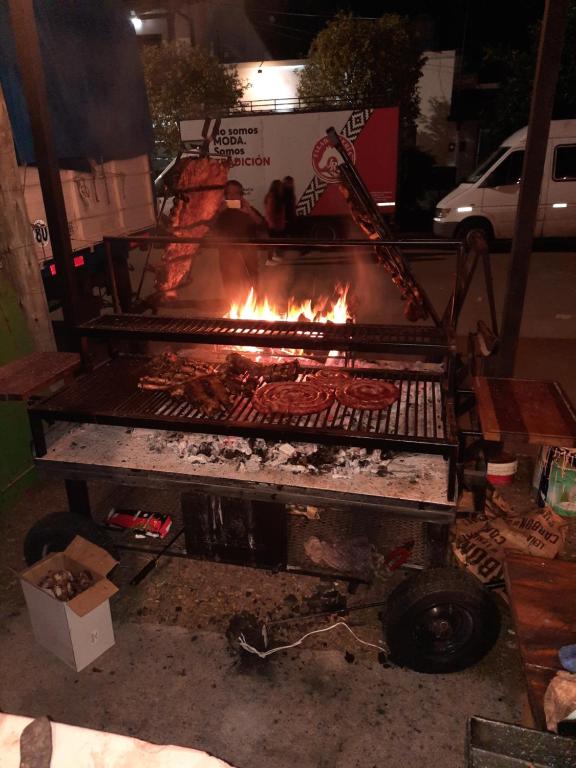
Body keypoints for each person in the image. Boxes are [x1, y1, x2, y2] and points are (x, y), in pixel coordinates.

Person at [212, 179, 267, 300]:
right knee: (230, 282)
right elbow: (209, 228)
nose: (232, 197)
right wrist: (218, 212)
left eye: (236, 193)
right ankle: (234, 306)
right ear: (225, 195)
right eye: (229, 194)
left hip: (248, 251)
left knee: (252, 280)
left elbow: (262, 225)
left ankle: (256, 304)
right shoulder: (221, 212)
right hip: (227, 253)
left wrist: (248, 211)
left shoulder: (247, 209)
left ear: (241, 195)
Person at [264, 179, 286, 265]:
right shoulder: (272, 196)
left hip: (277, 224)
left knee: (275, 241)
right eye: (280, 186)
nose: (282, 188)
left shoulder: (276, 196)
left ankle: (273, 257)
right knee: (272, 242)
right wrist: (272, 224)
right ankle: (270, 259)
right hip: (274, 224)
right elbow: (270, 211)